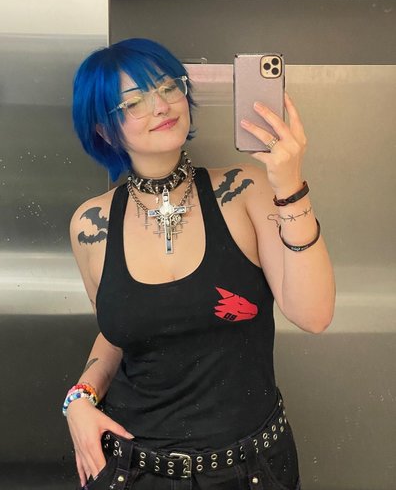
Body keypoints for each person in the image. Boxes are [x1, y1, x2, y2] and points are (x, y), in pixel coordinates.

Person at [64, 38, 335, 490]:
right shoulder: (91, 224)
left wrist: (290, 187)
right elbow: (119, 331)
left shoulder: (244, 190)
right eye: (134, 102)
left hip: (251, 468)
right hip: (132, 469)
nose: (161, 105)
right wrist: (79, 398)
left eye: (168, 87)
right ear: (104, 131)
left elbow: (314, 314)